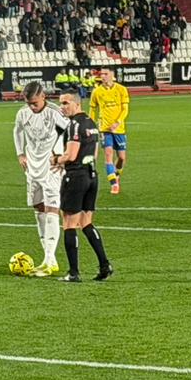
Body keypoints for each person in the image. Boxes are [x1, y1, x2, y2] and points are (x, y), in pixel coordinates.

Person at [54, 92, 112, 282]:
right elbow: (95, 154)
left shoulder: (74, 125)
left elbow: (70, 155)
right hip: (92, 176)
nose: (62, 107)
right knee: (86, 222)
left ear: (76, 104)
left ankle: (73, 272)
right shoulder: (91, 123)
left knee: (69, 223)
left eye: (66, 103)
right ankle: (105, 264)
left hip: (76, 177)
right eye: (60, 104)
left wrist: (56, 159)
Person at [12, 81, 66, 277]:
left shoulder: (54, 113)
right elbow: (17, 131)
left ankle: (50, 260)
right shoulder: (22, 114)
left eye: (34, 103)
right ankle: (48, 258)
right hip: (32, 167)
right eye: (28, 103)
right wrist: (20, 154)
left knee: (53, 208)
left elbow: (68, 132)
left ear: (43, 96)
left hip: (51, 167)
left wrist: (60, 155)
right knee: (39, 209)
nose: (31, 107)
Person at [88, 69, 130, 195]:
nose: (103, 76)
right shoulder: (97, 91)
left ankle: (116, 175)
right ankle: (114, 184)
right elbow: (92, 109)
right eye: (101, 74)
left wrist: (118, 122)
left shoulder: (121, 89)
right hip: (104, 128)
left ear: (112, 75)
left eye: (106, 74)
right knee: (108, 155)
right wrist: (91, 124)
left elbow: (125, 109)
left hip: (119, 129)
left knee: (121, 158)